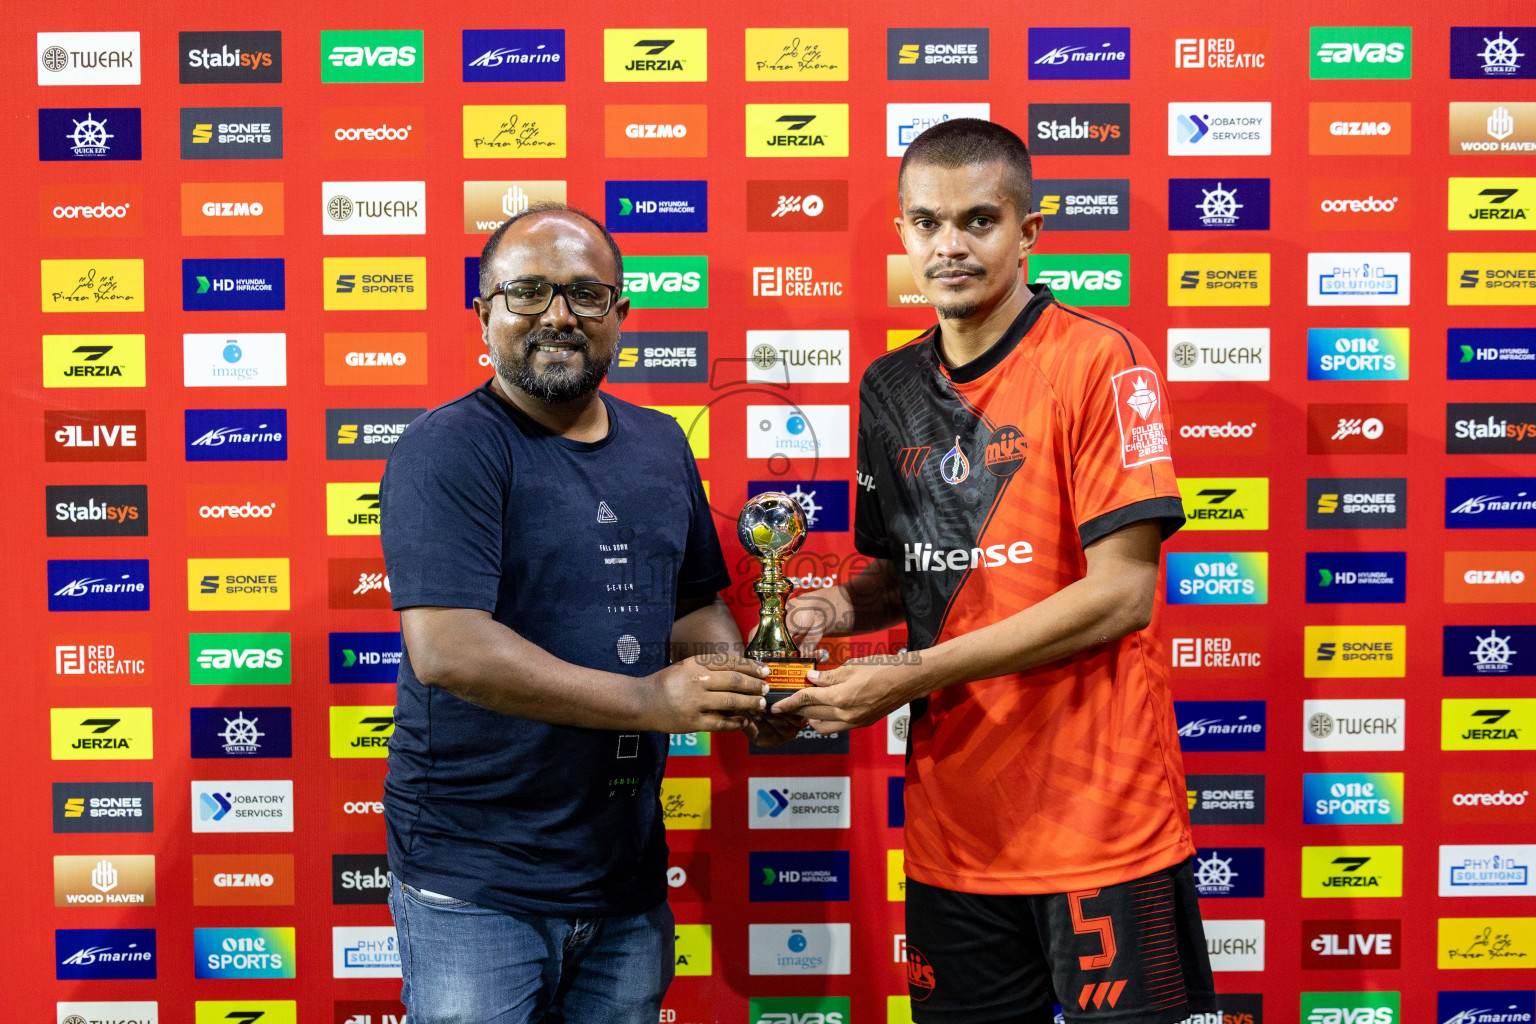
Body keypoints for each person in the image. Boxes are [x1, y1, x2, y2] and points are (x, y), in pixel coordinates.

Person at [773, 120, 1217, 1024]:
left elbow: (1122, 592)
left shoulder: (1100, 362)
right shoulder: (887, 389)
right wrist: (827, 605)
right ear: (901, 233)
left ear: (1029, 232)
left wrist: (911, 675)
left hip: (1104, 827)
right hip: (955, 837)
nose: (950, 246)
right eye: (928, 223)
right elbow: (907, 578)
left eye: (979, 220)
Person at [379, 204, 791, 1024]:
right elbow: (449, 650)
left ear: (621, 316)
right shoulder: (446, 449)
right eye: (526, 293)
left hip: (624, 874)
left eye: (585, 295)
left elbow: (695, 606)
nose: (557, 316)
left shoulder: (661, 442)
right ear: (485, 314)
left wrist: (747, 685)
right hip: (478, 880)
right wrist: (648, 701)